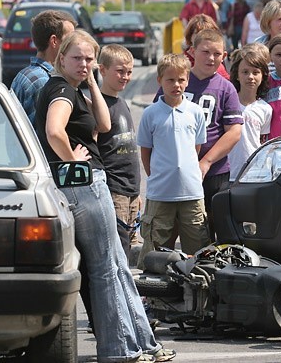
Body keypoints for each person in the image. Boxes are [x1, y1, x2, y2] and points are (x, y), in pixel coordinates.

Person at [34, 30, 175, 363]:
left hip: (89, 181)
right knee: (105, 268)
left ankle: (142, 343)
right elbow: (54, 131)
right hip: (84, 182)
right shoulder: (60, 89)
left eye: (88, 58)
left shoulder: (75, 88)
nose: (83, 64)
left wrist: (92, 81)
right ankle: (118, 349)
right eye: (77, 58)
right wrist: (72, 159)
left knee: (116, 266)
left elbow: (103, 123)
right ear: (61, 56)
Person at [157, 29, 243, 240]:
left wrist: (206, 161)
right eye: (205, 52)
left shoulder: (226, 88)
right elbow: (157, 124)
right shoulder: (175, 81)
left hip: (214, 173)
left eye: (217, 54)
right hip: (175, 171)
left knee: (212, 226)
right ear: (192, 51)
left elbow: (234, 132)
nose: (211, 58)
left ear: (224, 56)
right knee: (171, 226)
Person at [136, 53, 211, 270]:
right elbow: (146, 152)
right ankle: (154, 295)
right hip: (161, 193)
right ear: (159, 81)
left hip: (192, 191)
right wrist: (158, 177)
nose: (176, 85)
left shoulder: (195, 112)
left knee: (197, 248)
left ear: (187, 80)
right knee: (156, 247)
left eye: (181, 80)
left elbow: (196, 148)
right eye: (170, 80)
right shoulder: (150, 114)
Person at [97, 44, 142, 262]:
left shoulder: (121, 101)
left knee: (129, 248)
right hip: (115, 190)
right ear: (102, 70)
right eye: (120, 71)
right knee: (117, 252)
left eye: (129, 72)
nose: (125, 77)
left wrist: (136, 193)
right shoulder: (98, 106)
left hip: (131, 190)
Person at [11, 10, 76, 125]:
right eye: (69, 39)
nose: (74, 44)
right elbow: (45, 133)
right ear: (54, 41)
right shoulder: (44, 82)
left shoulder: (23, 74)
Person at [227, 43, 272, 181]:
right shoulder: (227, 103)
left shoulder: (265, 109)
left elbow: (262, 141)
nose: (250, 77)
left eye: (255, 72)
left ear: (263, 76)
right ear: (237, 75)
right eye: (245, 72)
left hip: (253, 173)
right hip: (227, 172)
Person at [183, 14, 230, 80]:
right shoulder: (181, 63)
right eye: (198, 33)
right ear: (190, 36)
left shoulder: (218, 63)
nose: (202, 38)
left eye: (207, 34)